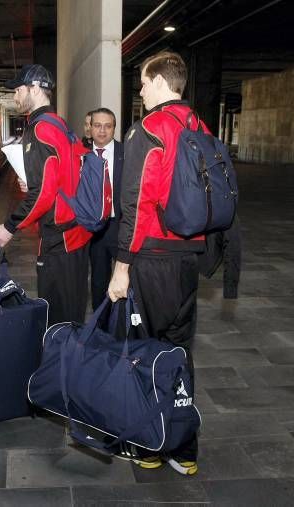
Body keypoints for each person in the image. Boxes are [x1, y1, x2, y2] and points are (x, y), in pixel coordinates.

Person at [107, 51, 205, 475]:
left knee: (145, 349)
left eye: (145, 82)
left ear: (162, 82)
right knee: (179, 349)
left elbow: (136, 205)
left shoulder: (147, 129)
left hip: (151, 259)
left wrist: (121, 266)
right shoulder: (198, 125)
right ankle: (184, 448)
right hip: (188, 259)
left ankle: (150, 445)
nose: (141, 90)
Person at [0, 64, 91, 325]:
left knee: (59, 319)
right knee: (71, 313)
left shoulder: (39, 129)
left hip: (60, 240)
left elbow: (43, 194)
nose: (15, 96)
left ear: (34, 88)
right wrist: (36, 183)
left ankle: (62, 365)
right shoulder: (58, 124)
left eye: (18, 89)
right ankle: (66, 361)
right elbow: (63, 175)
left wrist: (10, 226)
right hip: (75, 233)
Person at [88, 107, 123, 310]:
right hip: (93, 230)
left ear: (114, 129)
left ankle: (122, 325)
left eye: (108, 126)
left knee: (124, 279)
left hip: (120, 226)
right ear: (90, 128)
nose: (102, 131)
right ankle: (99, 325)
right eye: (98, 126)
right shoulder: (80, 155)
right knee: (98, 280)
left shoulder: (126, 153)